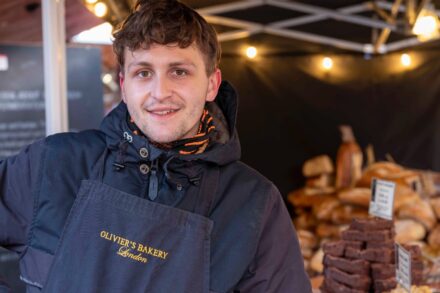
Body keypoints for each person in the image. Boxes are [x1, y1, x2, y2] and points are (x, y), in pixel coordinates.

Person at [0, 0, 311, 292]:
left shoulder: (253, 203)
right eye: (144, 72)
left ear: (212, 84)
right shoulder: (54, 165)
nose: (160, 92)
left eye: (179, 71)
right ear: (124, 85)